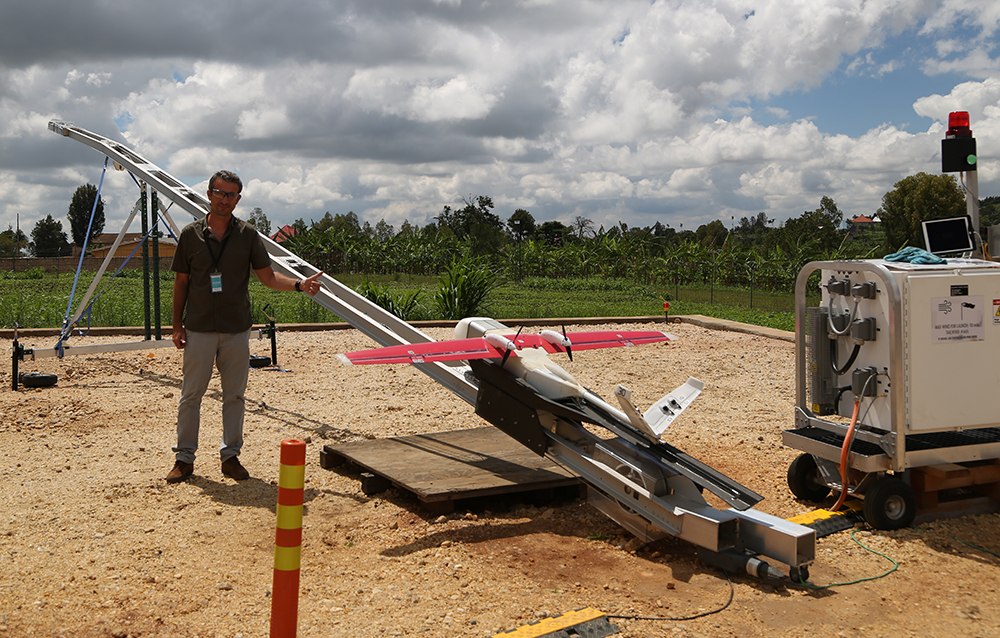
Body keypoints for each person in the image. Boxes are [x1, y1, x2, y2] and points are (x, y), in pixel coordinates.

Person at [165, 170, 323, 483]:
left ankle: (230, 457)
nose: (225, 200)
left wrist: (299, 284)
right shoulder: (190, 234)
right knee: (190, 395)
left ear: (238, 198)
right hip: (198, 327)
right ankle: (184, 458)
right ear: (209, 194)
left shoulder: (248, 235)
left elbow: (267, 277)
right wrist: (176, 326)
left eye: (232, 195)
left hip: (236, 328)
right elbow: (180, 282)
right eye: (220, 193)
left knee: (234, 396)